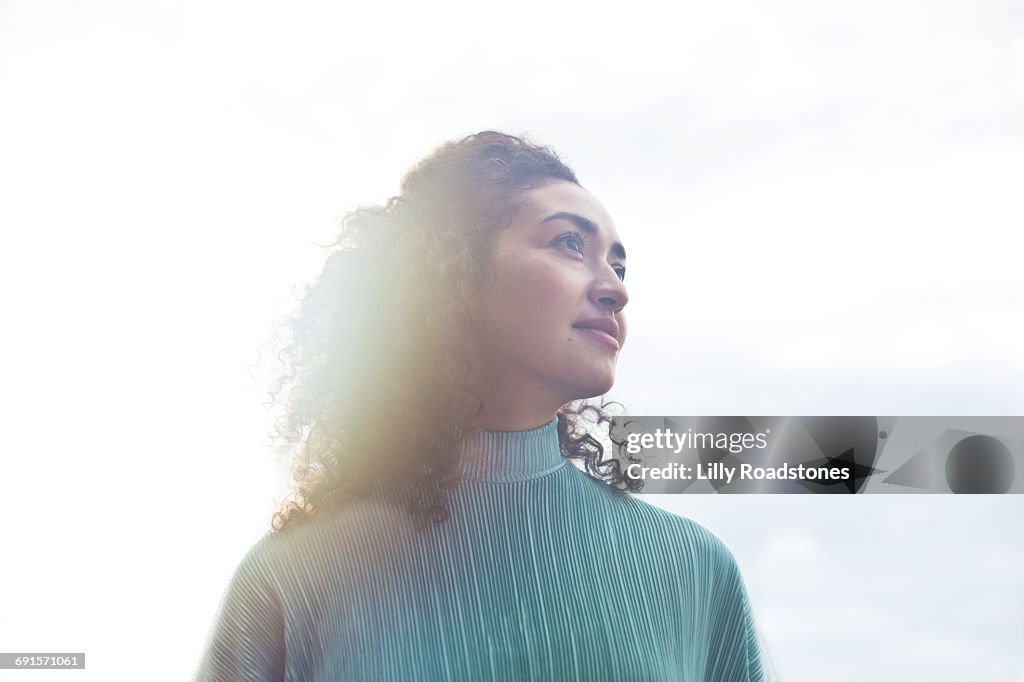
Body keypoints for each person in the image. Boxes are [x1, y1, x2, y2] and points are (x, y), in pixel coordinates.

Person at [193, 131, 775, 681]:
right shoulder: (291, 577)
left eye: (619, 266)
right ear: (453, 274)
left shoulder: (693, 570)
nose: (616, 288)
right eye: (569, 243)